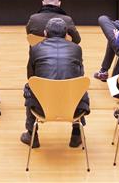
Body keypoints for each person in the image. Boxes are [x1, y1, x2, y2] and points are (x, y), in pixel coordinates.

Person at [21, 18, 89, 149]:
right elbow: (80, 75)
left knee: (29, 87)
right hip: (72, 106)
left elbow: (30, 77)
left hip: (41, 106)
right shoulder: (76, 49)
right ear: (66, 35)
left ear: (45, 33)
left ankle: (32, 135)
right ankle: (76, 134)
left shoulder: (35, 49)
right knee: (80, 87)